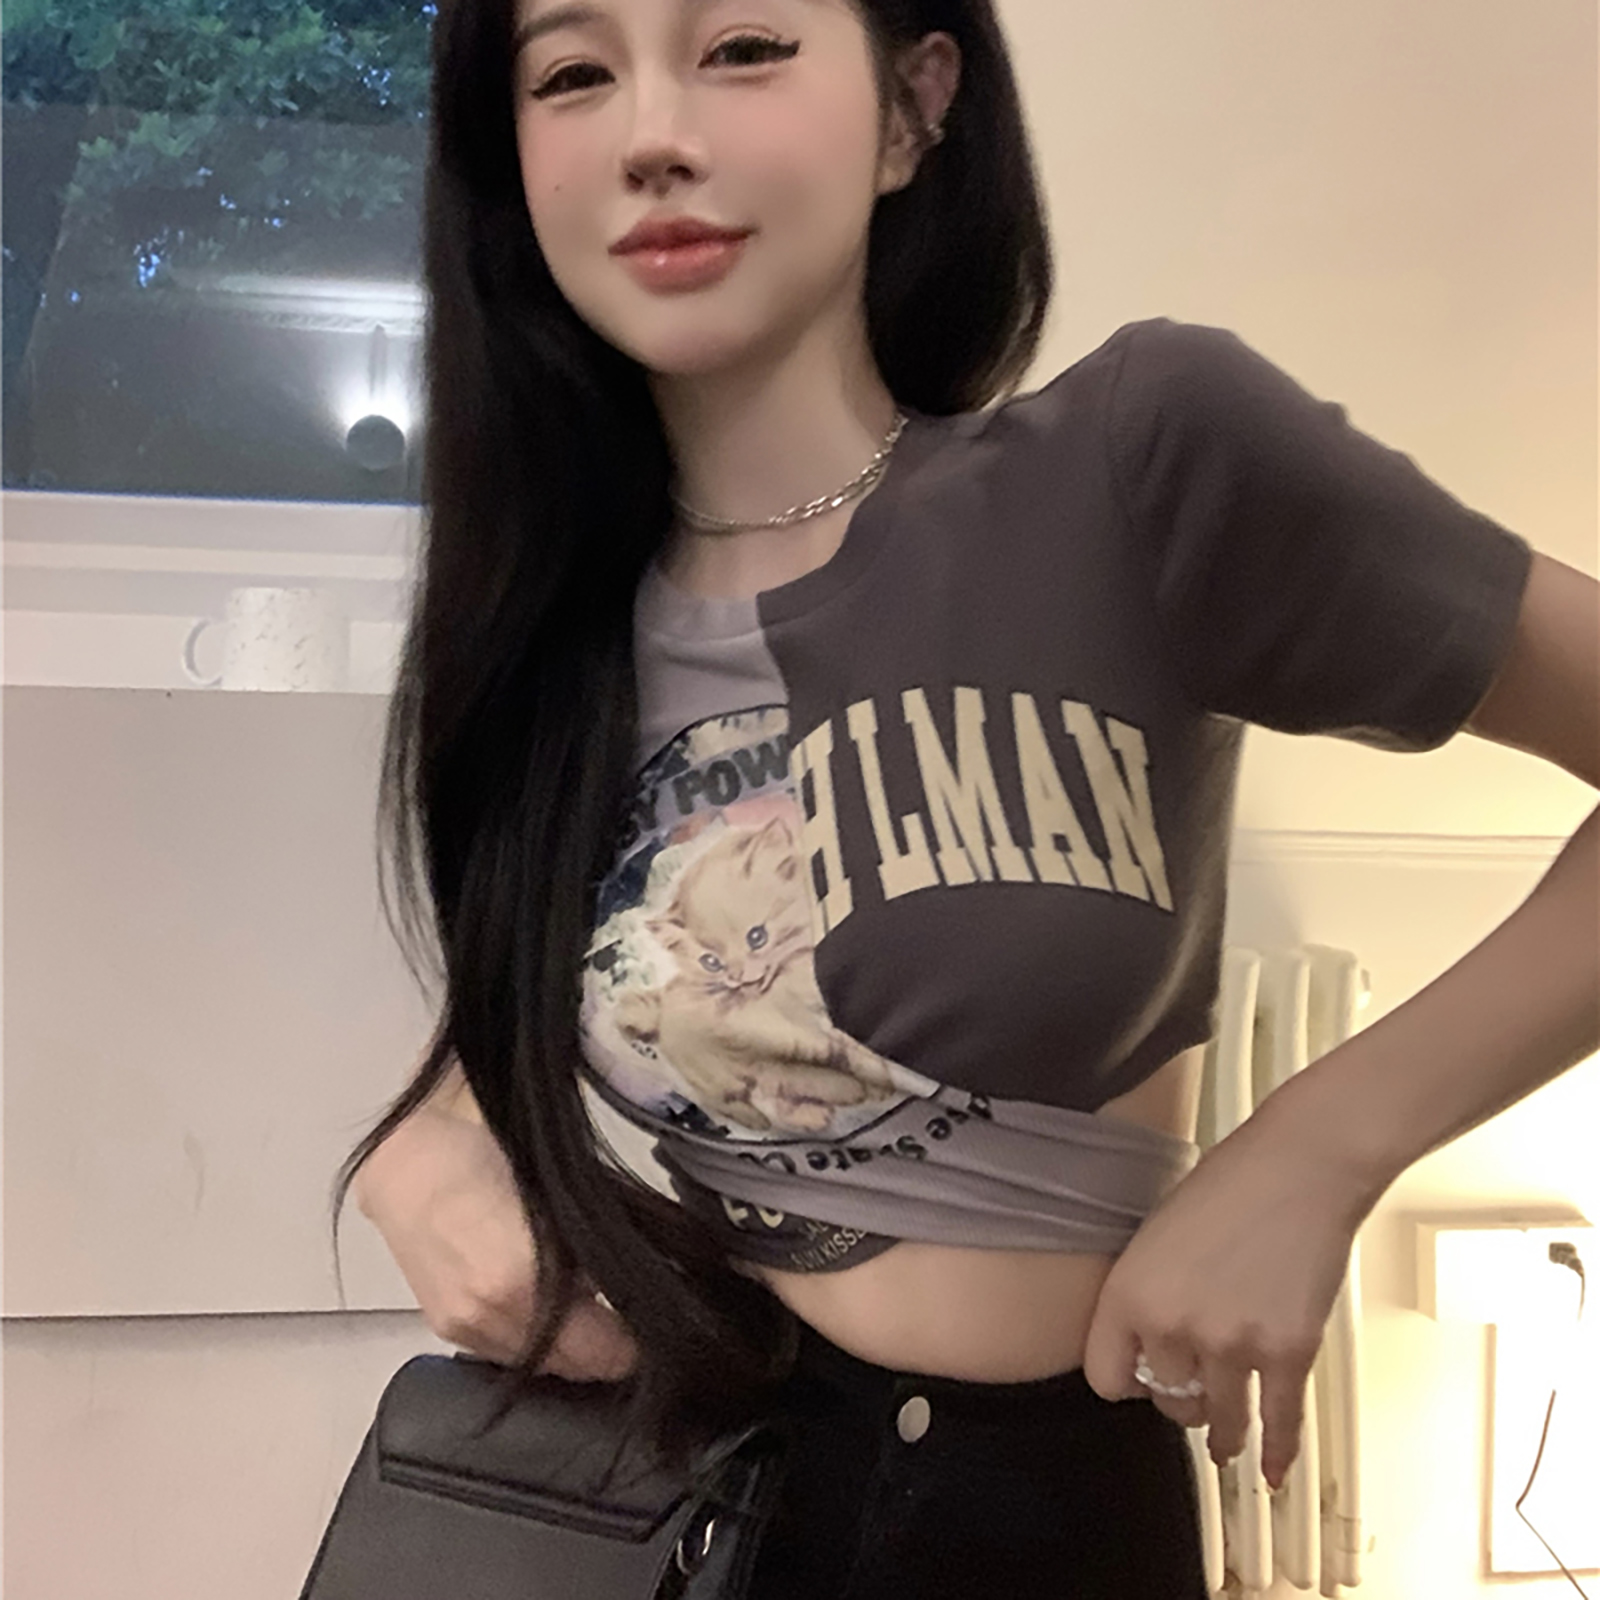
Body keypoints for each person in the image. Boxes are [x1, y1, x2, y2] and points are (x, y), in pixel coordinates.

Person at [336, 0, 1600, 1595]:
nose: (654, 133)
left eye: (742, 46)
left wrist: (1322, 1146)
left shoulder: (1136, 463)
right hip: (689, 1497)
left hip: (1037, 1518)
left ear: (912, 109)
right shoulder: (553, 624)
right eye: (574, 74)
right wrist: (426, 1142)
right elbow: (578, 970)